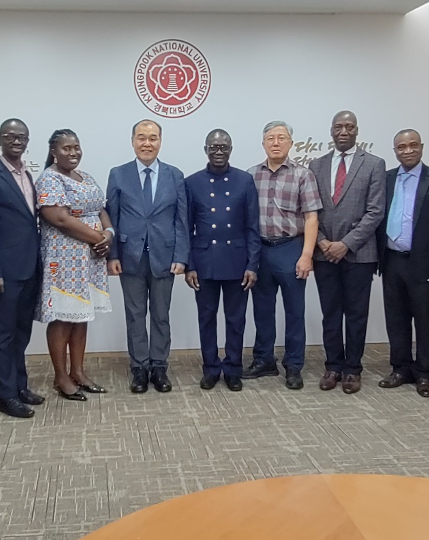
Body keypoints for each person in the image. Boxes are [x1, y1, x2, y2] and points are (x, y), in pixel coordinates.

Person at [106, 120, 189, 394]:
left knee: (161, 315)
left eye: (153, 138)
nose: (147, 143)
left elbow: (181, 220)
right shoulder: (118, 174)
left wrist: (181, 255)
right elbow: (112, 219)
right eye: (141, 137)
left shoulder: (175, 175)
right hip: (130, 257)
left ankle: (159, 367)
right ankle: (139, 368)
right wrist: (112, 255)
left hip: (165, 256)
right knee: (135, 315)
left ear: (160, 142)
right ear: (132, 141)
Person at [375, 129, 429, 398]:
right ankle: (400, 369)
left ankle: (424, 373)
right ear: (395, 151)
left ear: (421, 147)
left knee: (424, 320)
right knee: (396, 320)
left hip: (424, 265)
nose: (407, 150)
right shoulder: (386, 179)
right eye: (401, 147)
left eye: (413, 145)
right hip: (392, 261)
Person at [308, 110, 386, 395]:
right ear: (331, 131)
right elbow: (311, 209)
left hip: (359, 254)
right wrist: (324, 242)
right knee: (330, 313)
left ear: (357, 131)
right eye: (338, 127)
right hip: (324, 253)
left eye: (349, 127)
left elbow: (375, 211)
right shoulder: (316, 165)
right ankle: (333, 366)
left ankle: (353, 369)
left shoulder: (374, 164)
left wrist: (346, 244)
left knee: (356, 314)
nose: (344, 131)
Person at [0, 118, 45, 418]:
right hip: (4, 272)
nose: (17, 141)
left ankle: (19, 386)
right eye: (10, 136)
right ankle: (5, 395)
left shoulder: (29, 174)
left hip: (30, 267)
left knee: (21, 331)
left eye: (22, 136)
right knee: (2, 335)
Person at [35, 129, 113, 400]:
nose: (73, 152)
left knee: (81, 316)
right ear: (53, 152)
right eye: (66, 148)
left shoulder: (86, 176)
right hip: (63, 259)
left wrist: (108, 235)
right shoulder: (49, 178)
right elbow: (59, 218)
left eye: (76, 147)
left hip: (89, 259)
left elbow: (101, 209)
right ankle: (61, 376)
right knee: (63, 317)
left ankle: (78, 372)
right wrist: (97, 238)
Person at [245, 121, 321, 390]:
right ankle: (264, 360)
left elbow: (311, 217)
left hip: (291, 248)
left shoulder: (303, 175)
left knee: (294, 311)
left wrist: (307, 254)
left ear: (290, 143)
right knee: (262, 310)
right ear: (263, 143)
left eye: (281, 138)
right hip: (260, 250)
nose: (275, 142)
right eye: (270, 138)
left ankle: (293, 366)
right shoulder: (250, 175)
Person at [185, 130, 260, 392]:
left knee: (235, 319)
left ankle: (233, 368)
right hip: (204, 261)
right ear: (205, 149)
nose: (219, 151)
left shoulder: (244, 180)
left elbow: (253, 226)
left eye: (224, 147)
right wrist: (189, 265)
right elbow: (186, 227)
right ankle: (210, 368)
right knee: (206, 317)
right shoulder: (192, 182)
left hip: (237, 260)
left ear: (231, 149)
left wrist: (252, 264)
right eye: (214, 147)